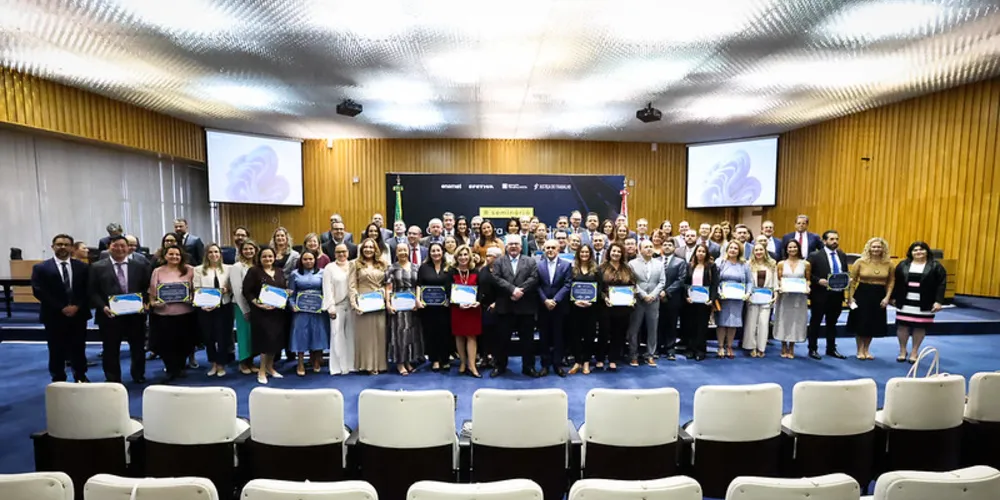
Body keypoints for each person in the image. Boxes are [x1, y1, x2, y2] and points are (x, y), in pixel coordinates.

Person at [89, 235, 151, 383]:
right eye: (116, 246)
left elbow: (146, 288)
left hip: (135, 316)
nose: (120, 249)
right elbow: (92, 291)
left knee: (137, 349)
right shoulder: (97, 267)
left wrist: (145, 303)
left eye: (123, 246)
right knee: (110, 349)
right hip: (109, 316)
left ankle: (138, 375)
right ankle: (112, 378)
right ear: (109, 247)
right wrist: (102, 306)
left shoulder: (139, 266)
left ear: (128, 248)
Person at [32, 234, 92, 383]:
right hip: (54, 315)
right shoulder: (41, 268)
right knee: (56, 348)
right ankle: (58, 377)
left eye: (66, 244)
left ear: (72, 247)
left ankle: (80, 376)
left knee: (79, 348)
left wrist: (77, 306)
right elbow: (39, 291)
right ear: (53, 247)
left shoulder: (83, 267)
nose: (63, 247)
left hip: (78, 314)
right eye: (59, 244)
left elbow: (88, 289)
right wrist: (62, 308)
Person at [492, 234, 540, 377]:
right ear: (506, 246)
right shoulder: (499, 262)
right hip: (505, 306)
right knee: (502, 340)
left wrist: (520, 290)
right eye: (511, 244)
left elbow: (534, 278)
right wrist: (512, 290)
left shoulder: (530, 261)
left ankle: (528, 367)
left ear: (521, 246)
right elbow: (496, 278)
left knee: (527, 341)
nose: (513, 246)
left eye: (516, 244)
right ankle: (500, 366)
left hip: (525, 307)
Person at [892, 241, 946, 363]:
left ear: (927, 251)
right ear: (911, 253)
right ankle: (902, 351)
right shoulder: (903, 265)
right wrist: (893, 297)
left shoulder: (936, 266)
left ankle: (914, 351)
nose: (918, 252)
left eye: (921, 249)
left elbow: (941, 285)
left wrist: (938, 301)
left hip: (925, 302)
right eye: (915, 250)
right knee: (902, 326)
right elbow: (896, 282)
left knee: (919, 327)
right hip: (905, 301)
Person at [149, 245, 196, 381]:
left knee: (185, 344)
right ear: (165, 256)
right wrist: (154, 303)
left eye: (177, 254)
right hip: (164, 315)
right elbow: (152, 295)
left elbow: (196, 290)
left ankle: (180, 367)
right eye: (171, 254)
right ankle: (171, 369)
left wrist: (192, 299)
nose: (174, 257)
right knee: (166, 345)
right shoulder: (157, 271)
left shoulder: (190, 270)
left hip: (185, 314)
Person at [242, 246, 288, 384]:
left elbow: (282, 288)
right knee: (264, 341)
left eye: (270, 256)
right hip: (261, 313)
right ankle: (261, 371)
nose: (267, 259)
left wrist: (287, 293)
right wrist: (258, 304)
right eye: (264, 256)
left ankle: (270, 367)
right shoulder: (254, 271)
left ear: (274, 258)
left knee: (275, 340)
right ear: (259, 258)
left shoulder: (279, 271)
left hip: (278, 312)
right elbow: (246, 291)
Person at [847, 237, 895, 360]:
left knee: (872, 323)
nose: (876, 249)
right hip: (862, 293)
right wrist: (850, 297)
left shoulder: (889, 264)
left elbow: (890, 282)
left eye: (879, 247)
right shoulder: (860, 262)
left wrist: (887, 298)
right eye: (874, 247)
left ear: (883, 248)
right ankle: (859, 350)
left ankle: (866, 349)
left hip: (879, 294)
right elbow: (852, 281)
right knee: (861, 323)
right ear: (869, 248)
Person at [806, 230, 849, 360]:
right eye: (831, 239)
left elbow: (844, 271)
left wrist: (847, 280)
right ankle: (812, 349)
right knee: (816, 322)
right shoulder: (815, 255)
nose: (834, 241)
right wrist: (818, 280)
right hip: (820, 294)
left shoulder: (841, 255)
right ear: (824, 241)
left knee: (832, 323)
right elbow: (807, 274)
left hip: (836, 294)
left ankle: (831, 348)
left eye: (836, 239)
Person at [193, 243, 233, 377]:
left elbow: (233, 287)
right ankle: (213, 364)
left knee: (223, 337)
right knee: (209, 337)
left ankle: (221, 364)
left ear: (220, 254)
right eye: (210, 252)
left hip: (224, 307)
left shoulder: (228, 269)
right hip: (205, 308)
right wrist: (203, 304)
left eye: (216, 252)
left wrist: (228, 289)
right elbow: (196, 288)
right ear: (206, 254)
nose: (213, 254)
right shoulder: (198, 270)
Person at [350, 238, 389, 375]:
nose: (368, 249)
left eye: (371, 247)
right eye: (366, 247)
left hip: (379, 302)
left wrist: (384, 292)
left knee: (379, 334)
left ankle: (380, 364)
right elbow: (352, 286)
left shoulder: (382, 264)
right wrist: (355, 304)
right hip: (363, 303)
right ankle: (367, 365)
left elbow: (388, 284)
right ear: (362, 249)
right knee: (366, 336)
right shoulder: (355, 264)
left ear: (375, 249)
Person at [289, 250, 330, 376]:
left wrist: (325, 305)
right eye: (305, 259)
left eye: (311, 259)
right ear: (301, 261)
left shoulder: (323, 273)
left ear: (315, 260)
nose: (308, 261)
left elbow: (326, 291)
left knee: (318, 334)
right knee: (300, 335)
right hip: (301, 310)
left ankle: (316, 361)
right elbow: (291, 294)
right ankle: (300, 363)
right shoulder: (294, 274)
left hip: (318, 310)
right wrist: (292, 306)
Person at [386, 244, 424, 376]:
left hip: (412, 305)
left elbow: (418, 285)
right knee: (399, 334)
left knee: (411, 334)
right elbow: (388, 288)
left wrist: (418, 300)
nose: (403, 252)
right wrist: (388, 303)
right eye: (400, 250)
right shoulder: (392, 268)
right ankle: (400, 363)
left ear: (409, 251)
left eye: (405, 250)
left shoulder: (416, 267)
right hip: (398, 306)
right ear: (396, 252)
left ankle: (408, 360)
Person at [536, 239, 572, 377]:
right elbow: (537, 285)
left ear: (558, 249)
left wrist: (555, 300)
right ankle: (545, 365)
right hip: (543, 306)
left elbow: (568, 284)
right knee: (544, 336)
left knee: (559, 336)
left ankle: (557, 365)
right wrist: (545, 300)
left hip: (559, 306)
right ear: (544, 249)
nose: (550, 250)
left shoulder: (566, 265)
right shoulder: (538, 265)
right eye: (547, 248)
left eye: (553, 247)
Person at [598, 242, 636, 371]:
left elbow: (632, 285)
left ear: (622, 254)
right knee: (604, 333)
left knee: (618, 334)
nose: (616, 254)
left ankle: (613, 359)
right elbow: (598, 287)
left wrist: (632, 298)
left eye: (619, 252)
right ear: (609, 252)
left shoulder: (627, 268)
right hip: (605, 306)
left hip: (623, 307)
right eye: (614, 251)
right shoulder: (601, 268)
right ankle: (600, 358)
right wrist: (605, 298)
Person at [628, 240, 665, 366]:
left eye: (651, 246)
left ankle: (650, 355)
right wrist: (643, 295)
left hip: (654, 301)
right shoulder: (632, 264)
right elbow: (632, 282)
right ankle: (633, 355)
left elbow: (662, 282)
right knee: (634, 329)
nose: (649, 249)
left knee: (652, 329)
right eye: (646, 247)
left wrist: (653, 295)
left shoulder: (659, 264)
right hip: (638, 300)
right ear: (640, 249)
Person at [448, 245, 482, 378]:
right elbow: (448, 290)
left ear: (470, 257)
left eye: (465, 255)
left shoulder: (475, 271)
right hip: (458, 308)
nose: (463, 257)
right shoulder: (451, 272)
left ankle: (472, 365)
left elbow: (481, 290)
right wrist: (457, 303)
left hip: (473, 309)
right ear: (456, 257)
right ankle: (462, 362)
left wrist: (478, 301)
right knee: (459, 335)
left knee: (471, 336)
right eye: (460, 255)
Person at [715, 240, 753, 359]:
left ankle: (729, 346)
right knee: (721, 322)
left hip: (738, 298)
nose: (733, 250)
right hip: (723, 297)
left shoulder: (744, 264)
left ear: (739, 251)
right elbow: (715, 280)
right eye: (731, 248)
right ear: (727, 249)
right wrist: (718, 292)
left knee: (733, 323)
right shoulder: (720, 262)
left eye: (735, 248)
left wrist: (748, 293)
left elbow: (749, 281)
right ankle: (721, 346)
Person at [418, 242, 452, 371]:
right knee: (431, 333)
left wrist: (450, 299)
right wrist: (417, 300)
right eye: (433, 251)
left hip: (445, 307)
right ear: (429, 253)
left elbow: (452, 286)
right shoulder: (424, 267)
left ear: (442, 252)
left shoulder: (449, 267)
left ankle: (445, 358)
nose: (436, 253)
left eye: (438, 250)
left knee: (445, 333)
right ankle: (435, 360)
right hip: (428, 308)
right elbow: (419, 285)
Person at [774, 239, 811, 358]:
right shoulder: (781, 264)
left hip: (799, 297)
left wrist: (807, 287)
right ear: (786, 249)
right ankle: (783, 345)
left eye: (794, 247)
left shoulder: (805, 264)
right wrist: (780, 287)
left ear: (798, 248)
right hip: (785, 297)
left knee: (796, 320)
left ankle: (792, 347)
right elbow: (779, 279)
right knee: (784, 319)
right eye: (790, 247)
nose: (792, 249)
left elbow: (808, 279)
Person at [323, 243, 355, 375]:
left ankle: (352, 365)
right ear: (334, 254)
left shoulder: (353, 265)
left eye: (344, 251)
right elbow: (327, 289)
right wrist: (330, 307)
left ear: (348, 252)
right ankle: (338, 367)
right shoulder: (329, 268)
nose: (341, 254)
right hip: (337, 306)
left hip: (352, 306)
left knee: (352, 336)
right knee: (337, 336)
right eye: (338, 252)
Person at [683, 243, 719, 361]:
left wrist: (712, 299)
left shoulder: (711, 266)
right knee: (690, 325)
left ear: (707, 254)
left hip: (705, 302)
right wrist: (686, 296)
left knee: (702, 327)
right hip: (691, 301)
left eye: (703, 251)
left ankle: (700, 350)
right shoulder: (689, 265)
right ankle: (690, 349)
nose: (701, 253)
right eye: (699, 251)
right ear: (695, 253)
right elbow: (684, 283)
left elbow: (714, 284)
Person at [568, 244, 599, 374]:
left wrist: (591, 303)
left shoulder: (596, 270)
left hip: (591, 309)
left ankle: (586, 362)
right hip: (575, 309)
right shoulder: (572, 269)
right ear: (578, 254)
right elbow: (568, 286)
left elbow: (600, 287)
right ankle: (577, 362)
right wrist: (575, 301)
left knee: (589, 336)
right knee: (575, 335)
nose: (584, 255)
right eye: (582, 252)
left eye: (587, 252)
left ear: (590, 254)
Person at [743, 243, 777, 358]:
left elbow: (775, 281)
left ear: (765, 251)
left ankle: (761, 347)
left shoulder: (771, 265)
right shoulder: (748, 264)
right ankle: (751, 346)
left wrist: (776, 294)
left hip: (767, 298)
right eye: (756, 250)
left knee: (763, 323)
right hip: (752, 297)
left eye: (760, 250)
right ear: (753, 252)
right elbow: (746, 281)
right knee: (751, 323)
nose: (758, 252)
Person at [229, 240, 258, 374]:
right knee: (243, 335)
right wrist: (245, 309)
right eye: (245, 249)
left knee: (253, 335)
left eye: (251, 249)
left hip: (256, 305)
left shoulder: (257, 265)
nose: (249, 251)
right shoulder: (237, 266)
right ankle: (243, 363)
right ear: (241, 251)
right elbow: (237, 289)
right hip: (241, 305)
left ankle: (251, 362)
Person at [657, 238, 687, 361]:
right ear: (661, 247)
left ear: (674, 248)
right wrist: (658, 292)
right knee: (658, 324)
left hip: (672, 298)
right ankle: (658, 348)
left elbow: (681, 279)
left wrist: (667, 292)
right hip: (656, 297)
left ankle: (670, 349)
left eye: (670, 245)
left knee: (671, 324)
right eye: (665, 245)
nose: (667, 246)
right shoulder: (655, 260)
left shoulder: (680, 262)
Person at [477, 246, 503, 370]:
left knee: (497, 334)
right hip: (484, 307)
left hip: (499, 306)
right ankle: (485, 356)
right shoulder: (483, 270)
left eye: (490, 256)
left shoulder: (504, 270)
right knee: (484, 333)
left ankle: (496, 358)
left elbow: (506, 288)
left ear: (497, 258)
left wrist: (497, 302)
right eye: (486, 255)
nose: (487, 258)